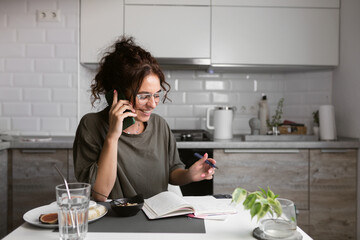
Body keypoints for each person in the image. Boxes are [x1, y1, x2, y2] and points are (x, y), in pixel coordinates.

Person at [73, 36, 216, 201]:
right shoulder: (91, 126)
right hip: (114, 221)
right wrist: (112, 136)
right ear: (118, 94)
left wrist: (189, 175)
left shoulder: (160, 125)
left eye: (156, 95)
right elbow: (100, 194)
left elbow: (172, 173)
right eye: (143, 96)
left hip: (156, 218)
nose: (152, 104)